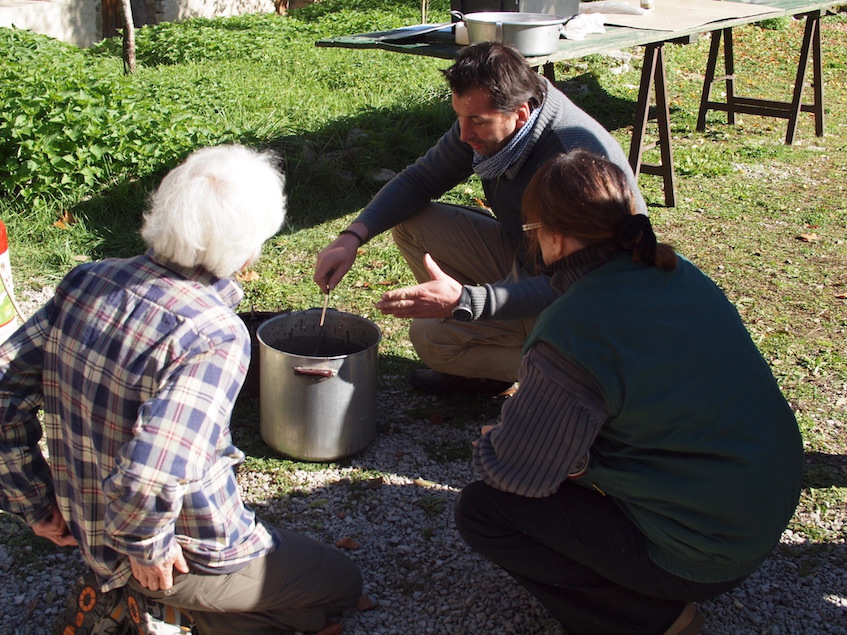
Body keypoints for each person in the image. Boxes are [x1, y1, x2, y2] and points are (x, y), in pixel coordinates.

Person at [0, 144, 364, 635]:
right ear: (250, 244)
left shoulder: (86, 281)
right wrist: (145, 547)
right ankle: (163, 605)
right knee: (339, 582)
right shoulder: (212, 333)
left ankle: (158, 600)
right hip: (177, 558)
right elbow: (149, 476)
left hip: (90, 536)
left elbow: (3, 393)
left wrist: (37, 504)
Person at [453, 150, 804, 634]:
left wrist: (495, 442)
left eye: (531, 232)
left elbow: (519, 473)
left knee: (483, 510)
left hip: (703, 551)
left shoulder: (576, 328)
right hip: (761, 511)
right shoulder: (676, 271)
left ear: (552, 237)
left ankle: (651, 619)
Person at [313, 42, 647, 397]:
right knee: (414, 224)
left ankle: (575, 374)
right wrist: (352, 236)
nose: (463, 134)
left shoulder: (572, 162)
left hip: (590, 306)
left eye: (476, 121)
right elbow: (421, 179)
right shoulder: (498, 121)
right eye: (459, 116)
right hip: (534, 259)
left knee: (432, 340)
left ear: (519, 114)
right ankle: (505, 345)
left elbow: (579, 282)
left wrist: (466, 302)